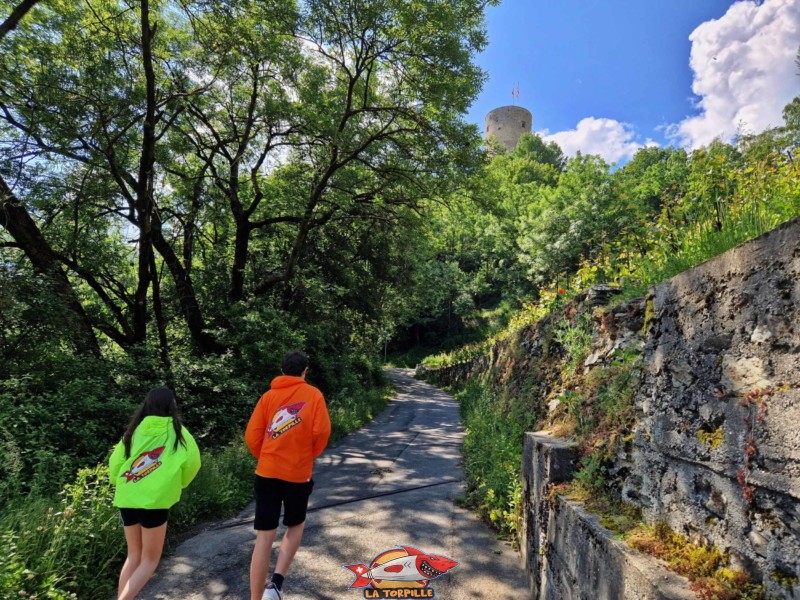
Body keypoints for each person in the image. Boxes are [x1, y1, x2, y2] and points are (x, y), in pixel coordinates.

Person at [245, 351, 331, 600]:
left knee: (264, 536)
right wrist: (307, 455)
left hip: (267, 472)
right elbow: (322, 432)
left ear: (282, 370)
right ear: (305, 371)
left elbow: (253, 435)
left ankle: (255, 597)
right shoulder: (313, 395)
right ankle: (276, 584)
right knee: (295, 524)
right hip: (297, 474)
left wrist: (264, 455)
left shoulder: (268, 397)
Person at [109, 387, 201, 600]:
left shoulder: (134, 431)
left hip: (127, 497)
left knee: (133, 556)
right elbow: (193, 464)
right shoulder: (179, 433)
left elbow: (115, 465)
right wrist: (178, 484)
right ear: (172, 406)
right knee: (149, 561)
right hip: (155, 501)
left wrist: (121, 482)